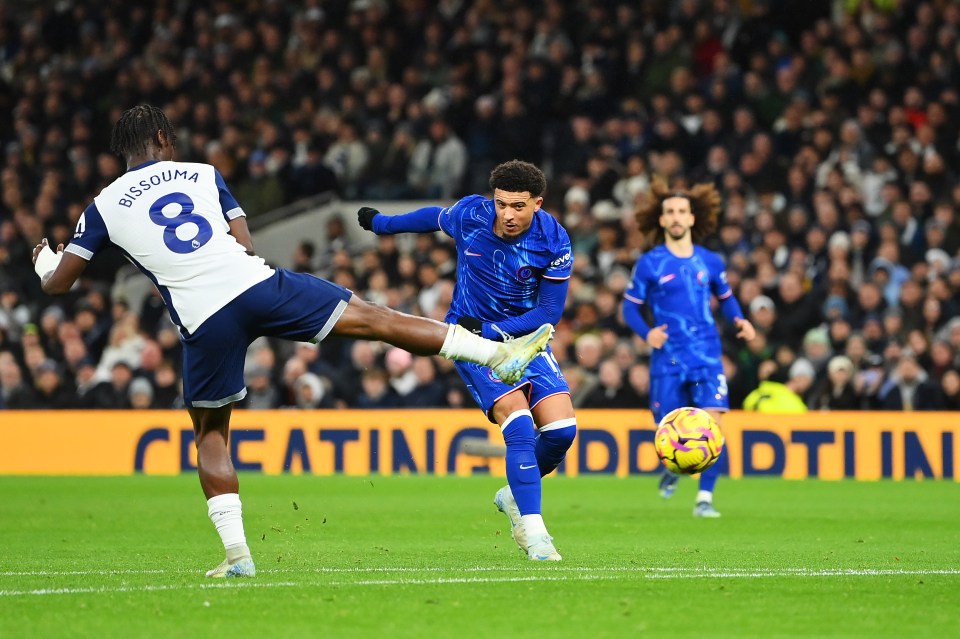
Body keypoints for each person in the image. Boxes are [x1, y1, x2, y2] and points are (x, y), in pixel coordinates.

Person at [31, 105, 555, 579]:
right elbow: (243, 243)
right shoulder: (201, 174)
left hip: (203, 317)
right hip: (257, 285)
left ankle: (238, 557)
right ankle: (495, 353)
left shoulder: (102, 205)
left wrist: (43, 259)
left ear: (122, 152)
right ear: (164, 139)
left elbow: (61, 283)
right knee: (371, 317)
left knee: (211, 433)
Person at [357, 160, 576, 561]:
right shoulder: (472, 213)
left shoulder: (555, 240)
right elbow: (431, 218)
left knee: (562, 432)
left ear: (538, 204)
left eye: (518, 206)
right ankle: (536, 534)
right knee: (520, 425)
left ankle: (514, 495)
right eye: (501, 204)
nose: (507, 214)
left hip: (523, 341)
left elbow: (548, 313)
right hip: (468, 340)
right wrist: (382, 224)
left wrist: (492, 331)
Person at [621, 177, 756, 518]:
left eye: (683, 211)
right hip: (667, 357)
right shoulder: (650, 262)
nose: (677, 217)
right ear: (662, 220)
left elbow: (726, 299)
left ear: (693, 218)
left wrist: (740, 320)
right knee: (668, 427)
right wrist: (647, 333)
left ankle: (704, 500)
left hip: (707, 356)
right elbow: (628, 307)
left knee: (713, 427)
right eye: (670, 212)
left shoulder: (710, 261)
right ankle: (673, 466)